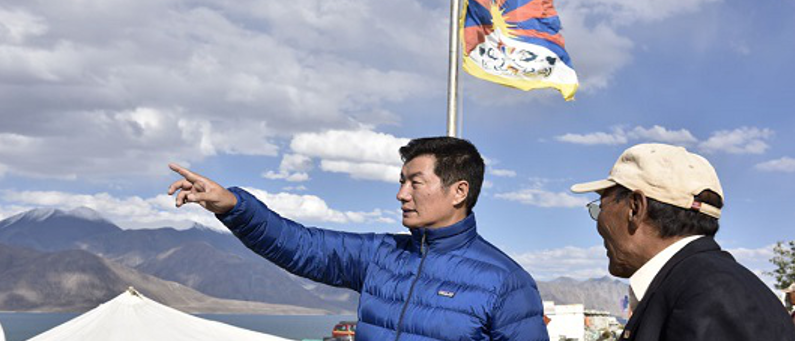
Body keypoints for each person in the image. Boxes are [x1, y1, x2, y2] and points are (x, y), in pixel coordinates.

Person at [169, 136, 548, 341]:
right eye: (401, 182)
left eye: (415, 183)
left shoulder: (507, 283)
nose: (402, 194)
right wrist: (232, 205)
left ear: (459, 191)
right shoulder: (380, 255)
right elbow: (301, 246)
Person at [570, 143, 795, 341]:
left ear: (635, 208)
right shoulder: (699, 284)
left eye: (601, 207)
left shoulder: (708, 295)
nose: (598, 221)